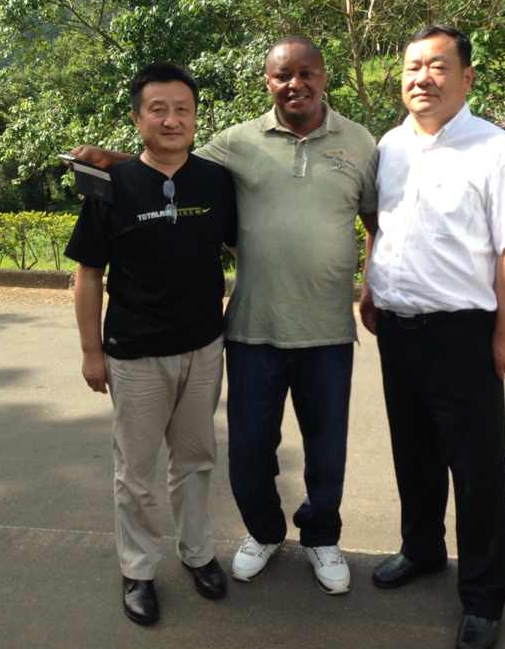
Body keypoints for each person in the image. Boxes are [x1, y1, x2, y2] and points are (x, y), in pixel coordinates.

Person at [72, 36, 378, 596]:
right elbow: (165, 165)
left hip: (324, 329)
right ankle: (259, 533)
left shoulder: (359, 141)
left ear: (324, 76)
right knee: (246, 451)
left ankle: (319, 537)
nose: (296, 84)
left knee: (322, 448)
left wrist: (374, 286)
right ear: (268, 81)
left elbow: (376, 221)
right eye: (283, 75)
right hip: (248, 330)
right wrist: (110, 160)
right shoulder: (237, 142)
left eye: (307, 73)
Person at [359, 25, 505, 649]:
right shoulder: (390, 145)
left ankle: (484, 597)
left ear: (466, 77)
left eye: (437, 66)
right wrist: (371, 286)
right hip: (397, 328)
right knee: (414, 452)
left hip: (463, 334)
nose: (422, 78)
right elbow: (381, 225)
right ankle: (423, 549)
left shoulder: (498, 151)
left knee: (477, 469)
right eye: (412, 67)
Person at [65, 62, 237, 626]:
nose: (171, 120)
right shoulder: (112, 187)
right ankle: (137, 569)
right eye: (158, 109)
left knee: (196, 460)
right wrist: (91, 351)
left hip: (203, 348)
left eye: (182, 109)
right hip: (134, 353)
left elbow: (244, 249)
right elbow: (89, 274)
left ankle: (198, 553)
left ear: (195, 117)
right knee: (135, 471)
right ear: (138, 118)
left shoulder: (216, 182)